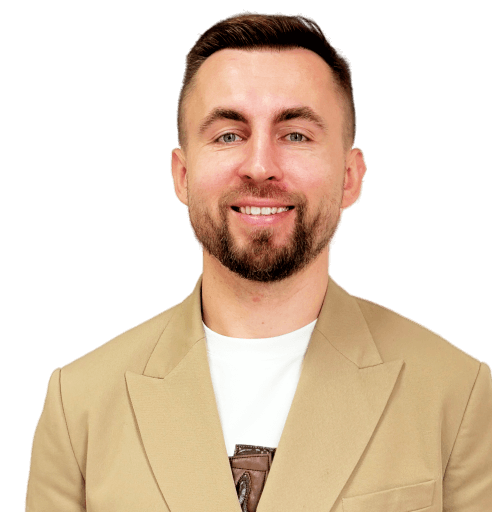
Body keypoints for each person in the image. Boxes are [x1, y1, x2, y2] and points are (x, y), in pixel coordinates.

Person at [25, 12, 492, 512]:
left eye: (296, 135)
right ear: (182, 175)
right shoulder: (79, 404)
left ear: (351, 177)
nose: (261, 167)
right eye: (229, 135)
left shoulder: (458, 392)